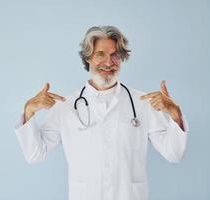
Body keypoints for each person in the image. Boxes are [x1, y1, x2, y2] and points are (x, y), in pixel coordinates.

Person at [14, 25, 189, 200]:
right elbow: (35, 154)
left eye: (115, 55)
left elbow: (173, 154)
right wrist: (29, 111)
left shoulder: (142, 102)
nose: (108, 62)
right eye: (101, 54)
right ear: (88, 58)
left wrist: (175, 113)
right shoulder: (65, 106)